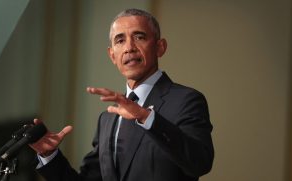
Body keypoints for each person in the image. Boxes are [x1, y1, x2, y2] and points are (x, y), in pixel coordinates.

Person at [30, 8, 214, 181]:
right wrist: (49, 155)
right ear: (112, 55)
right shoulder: (108, 119)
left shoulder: (186, 100)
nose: (129, 48)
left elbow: (200, 163)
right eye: (120, 40)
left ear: (160, 47)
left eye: (139, 37)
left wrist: (146, 118)